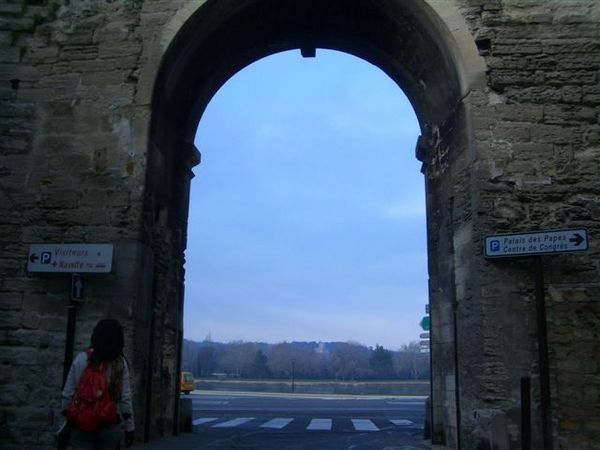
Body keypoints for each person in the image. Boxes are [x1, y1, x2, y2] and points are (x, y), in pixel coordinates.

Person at [61, 319, 135, 449]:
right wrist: (130, 428)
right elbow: (125, 398)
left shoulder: (81, 359)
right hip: (108, 426)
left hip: (81, 425)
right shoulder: (119, 363)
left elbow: (68, 394)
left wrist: (66, 422)